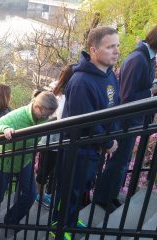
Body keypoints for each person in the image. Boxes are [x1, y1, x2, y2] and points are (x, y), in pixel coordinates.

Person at [52, 27, 120, 234]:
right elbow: (86, 122)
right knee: (70, 190)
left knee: (81, 188)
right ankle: (60, 226)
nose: (116, 51)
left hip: (94, 148)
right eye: (110, 47)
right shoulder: (81, 81)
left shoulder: (109, 75)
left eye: (117, 46)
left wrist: (111, 136)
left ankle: (70, 220)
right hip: (79, 150)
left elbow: (114, 107)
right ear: (93, 50)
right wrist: (108, 142)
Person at [95, 25, 157, 211]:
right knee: (119, 161)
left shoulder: (146, 58)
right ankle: (103, 198)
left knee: (122, 161)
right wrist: (152, 91)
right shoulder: (138, 59)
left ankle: (110, 196)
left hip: (132, 121)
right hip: (126, 122)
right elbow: (126, 97)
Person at [0, 91, 58, 235]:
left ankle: (11, 219)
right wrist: (5, 129)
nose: (47, 117)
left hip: (24, 160)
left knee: (31, 195)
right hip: (4, 161)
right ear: (37, 107)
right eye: (46, 113)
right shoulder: (18, 115)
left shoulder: (44, 117)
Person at [35, 64, 74, 209]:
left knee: (56, 170)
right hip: (50, 139)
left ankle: (49, 194)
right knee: (45, 169)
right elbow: (58, 115)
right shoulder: (56, 93)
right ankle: (40, 195)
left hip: (61, 139)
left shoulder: (67, 92)